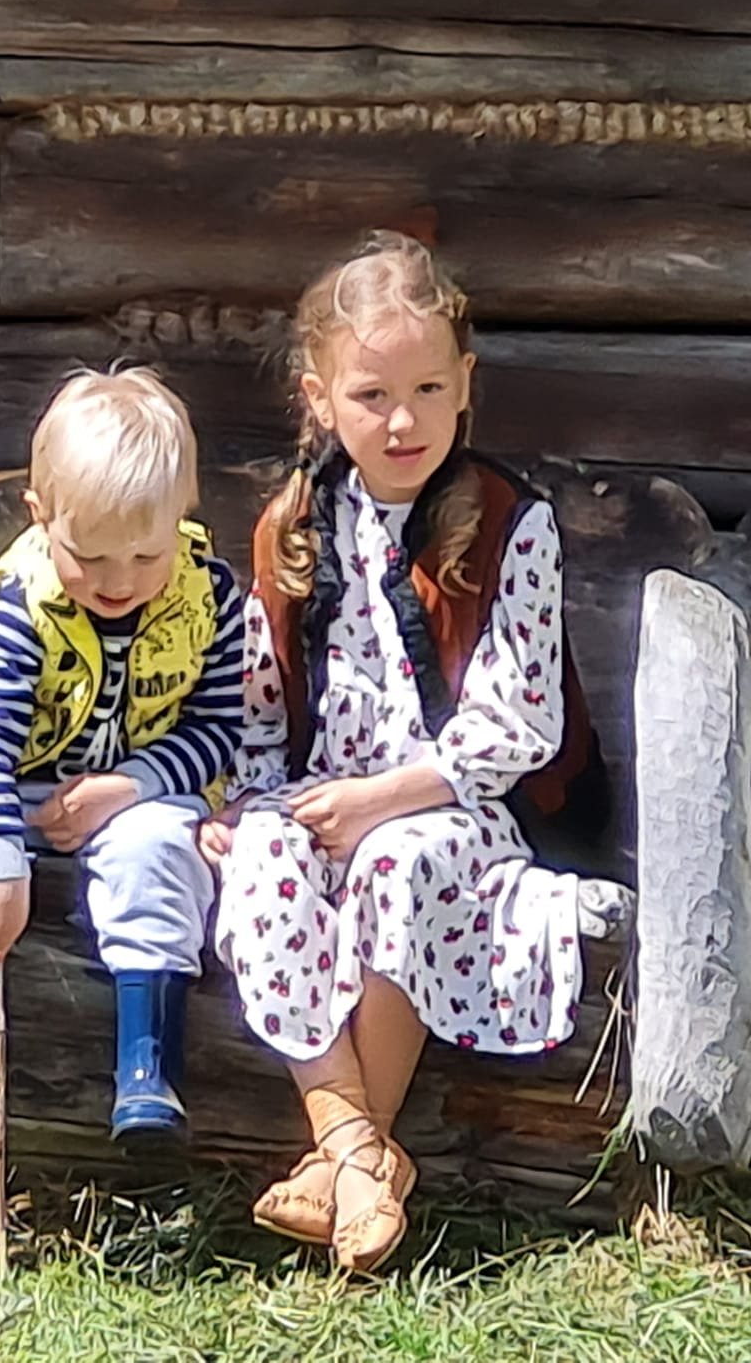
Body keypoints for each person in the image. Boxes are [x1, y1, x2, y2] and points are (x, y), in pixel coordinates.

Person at [201, 231, 633, 1271]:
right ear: (320, 400)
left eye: (429, 389)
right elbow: (262, 705)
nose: (404, 422)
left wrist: (383, 799)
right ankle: (360, 1157)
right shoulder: (291, 527)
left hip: (462, 807)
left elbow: (517, 720)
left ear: (465, 384)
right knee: (263, 856)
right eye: (372, 396)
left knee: (396, 863)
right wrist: (246, 804)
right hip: (323, 795)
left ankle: (344, 1156)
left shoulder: (508, 523)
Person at [0, 369, 245, 1155]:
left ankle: (147, 1069)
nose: (119, 582)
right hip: (9, 791)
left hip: (142, 796)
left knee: (157, 851)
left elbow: (216, 728)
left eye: (146, 554)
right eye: (90, 556)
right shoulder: (22, 610)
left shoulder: (210, 600)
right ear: (40, 516)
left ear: (183, 520)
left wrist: (130, 786)